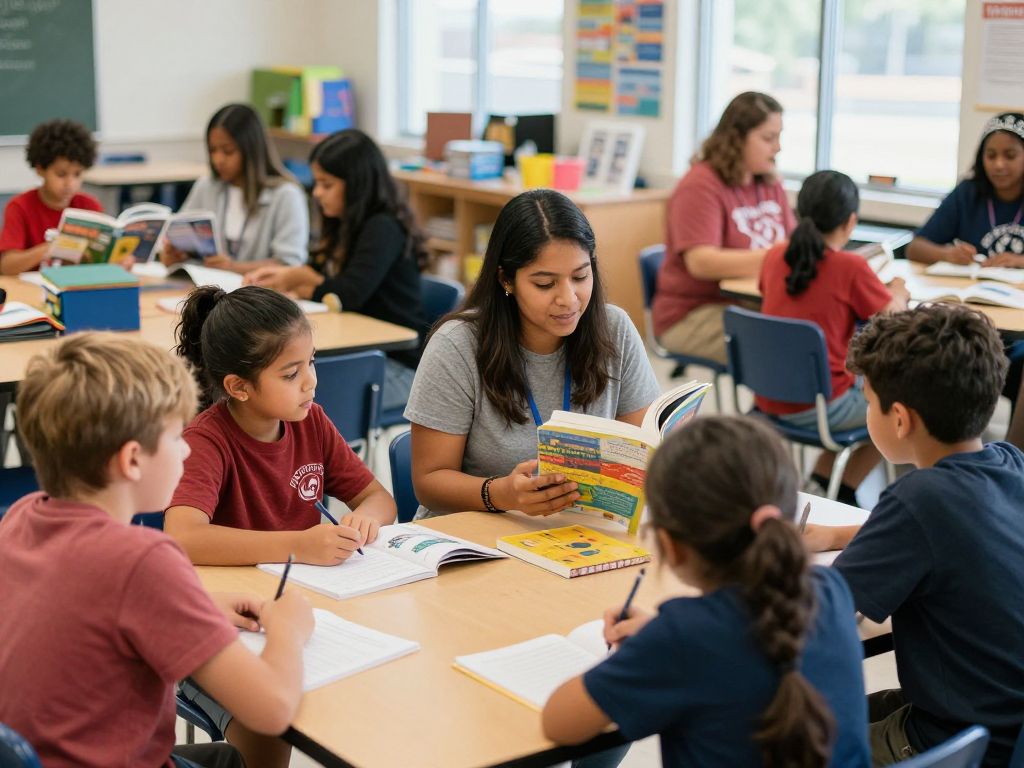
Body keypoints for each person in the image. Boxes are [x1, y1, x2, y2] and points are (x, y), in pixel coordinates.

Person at [0, 333, 314, 768]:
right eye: (174, 437)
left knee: (226, 759)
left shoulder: (21, 516)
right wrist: (289, 630)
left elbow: (83, 598)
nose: (187, 448)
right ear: (132, 460)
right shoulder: (143, 560)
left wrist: (195, 602)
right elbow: (271, 709)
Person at [542, 415, 870, 768]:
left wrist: (651, 646)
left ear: (670, 545)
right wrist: (658, 639)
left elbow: (558, 725)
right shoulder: (831, 590)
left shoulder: (681, 637)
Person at [163, 285, 395, 768]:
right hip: (223, 629)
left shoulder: (311, 422)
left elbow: (378, 498)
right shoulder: (208, 440)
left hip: (301, 611)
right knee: (266, 723)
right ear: (238, 387)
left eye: (311, 362)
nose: (311, 382)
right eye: (292, 373)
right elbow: (182, 537)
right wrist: (299, 545)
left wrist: (365, 521)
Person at [802, 305, 1024, 766]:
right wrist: (840, 534)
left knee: (776, 735)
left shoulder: (917, 498)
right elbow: (954, 535)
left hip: (955, 741)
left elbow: (821, 609)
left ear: (899, 419)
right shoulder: (1009, 463)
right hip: (1005, 726)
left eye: (867, 403)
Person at [405, 188, 661, 520]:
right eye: (545, 284)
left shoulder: (614, 330)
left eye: (581, 276)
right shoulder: (458, 345)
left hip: (580, 532)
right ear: (505, 279)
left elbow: (641, 451)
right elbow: (428, 482)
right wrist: (502, 494)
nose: (568, 299)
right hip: (479, 534)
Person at [246, 128, 428, 412]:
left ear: (356, 185)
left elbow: (346, 295)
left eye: (326, 185)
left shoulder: (382, 227)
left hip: (394, 365)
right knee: (279, 386)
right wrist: (288, 277)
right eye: (317, 183)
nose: (317, 193)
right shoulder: (344, 223)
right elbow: (322, 279)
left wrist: (305, 279)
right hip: (359, 353)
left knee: (287, 395)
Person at [759, 170, 909, 504]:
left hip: (768, 397)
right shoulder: (850, 267)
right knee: (904, 404)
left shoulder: (773, 256)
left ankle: (823, 480)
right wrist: (897, 289)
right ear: (850, 221)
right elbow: (895, 317)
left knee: (865, 384)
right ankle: (843, 489)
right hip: (822, 406)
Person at [652, 91, 796, 364]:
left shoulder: (769, 182)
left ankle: (774, 407)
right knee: (788, 348)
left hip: (753, 302)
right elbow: (702, 263)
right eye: (768, 138)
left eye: (779, 137)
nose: (777, 147)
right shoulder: (700, 185)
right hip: (694, 313)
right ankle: (772, 407)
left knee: (822, 328)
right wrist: (779, 257)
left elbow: (793, 240)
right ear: (737, 138)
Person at [162, 103, 308, 272]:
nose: (218, 160)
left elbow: (289, 264)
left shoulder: (286, 195)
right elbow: (179, 237)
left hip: (258, 295)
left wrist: (233, 267)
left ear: (251, 151)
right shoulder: (207, 186)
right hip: (207, 290)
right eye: (212, 150)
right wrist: (176, 255)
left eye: (228, 151)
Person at [908, 112, 1024, 267]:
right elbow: (915, 248)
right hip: (973, 289)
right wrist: (947, 254)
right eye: (991, 156)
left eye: (1010, 156)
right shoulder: (967, 193)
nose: (999, 165)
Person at [0, 118, 103, 275]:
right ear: (40, 169)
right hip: (33, 290)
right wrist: (49, 248)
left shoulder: (89, 206)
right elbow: (6, 266)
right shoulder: (19, 207)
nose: (70, 183)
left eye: (77, 174)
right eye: (61, 174)